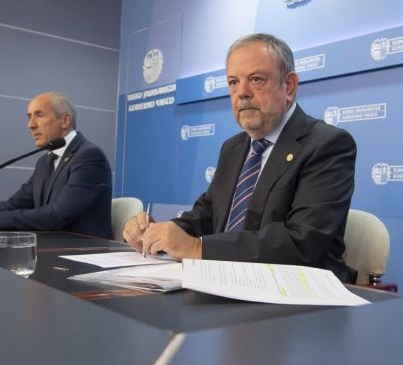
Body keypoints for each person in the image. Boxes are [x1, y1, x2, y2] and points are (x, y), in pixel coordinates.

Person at [124, 33, 357, 281]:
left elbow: (301, 241)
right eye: (233, 82)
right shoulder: (233, 147)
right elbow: (207, 215)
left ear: (288, 86)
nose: (242, 93)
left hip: (297, 297)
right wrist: (161, 233)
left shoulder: (327, 144)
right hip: (224, 283)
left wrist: (197, 249)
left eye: (256, 79)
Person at [0, 91, 113, 239]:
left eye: (39, 115)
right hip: (51, 247)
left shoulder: (88, 156)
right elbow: (14, 205)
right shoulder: (44, 161)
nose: (30, 125)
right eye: (29, 116)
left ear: (65, 120)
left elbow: (59, 215)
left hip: (82, 252)